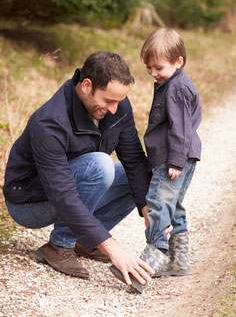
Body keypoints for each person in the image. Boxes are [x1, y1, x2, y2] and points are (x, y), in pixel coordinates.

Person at [2, 51, 155, 289]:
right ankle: (60, 245)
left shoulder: (118, 106)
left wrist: (147, 208)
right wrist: (112, 247)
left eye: (119, 101)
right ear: (86, 86)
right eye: (109, 101)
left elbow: (134, 160)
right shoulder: (50, 122)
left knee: (135, 176)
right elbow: (62, 194)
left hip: (70, 184)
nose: (115, 109)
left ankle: (84, 242)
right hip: (29, 202)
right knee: (101, 166)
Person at [112, 28, 202, 290]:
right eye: (148, 68)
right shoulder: (171, 83)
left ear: (179, 62)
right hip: (176, 156)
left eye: (158, 67)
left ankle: (150, 263)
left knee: (157, 205)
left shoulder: (176, 89)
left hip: (172, 157)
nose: (153, 73)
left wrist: (175, 160)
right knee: (173, 206)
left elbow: (181, 128)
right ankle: (178, 261)